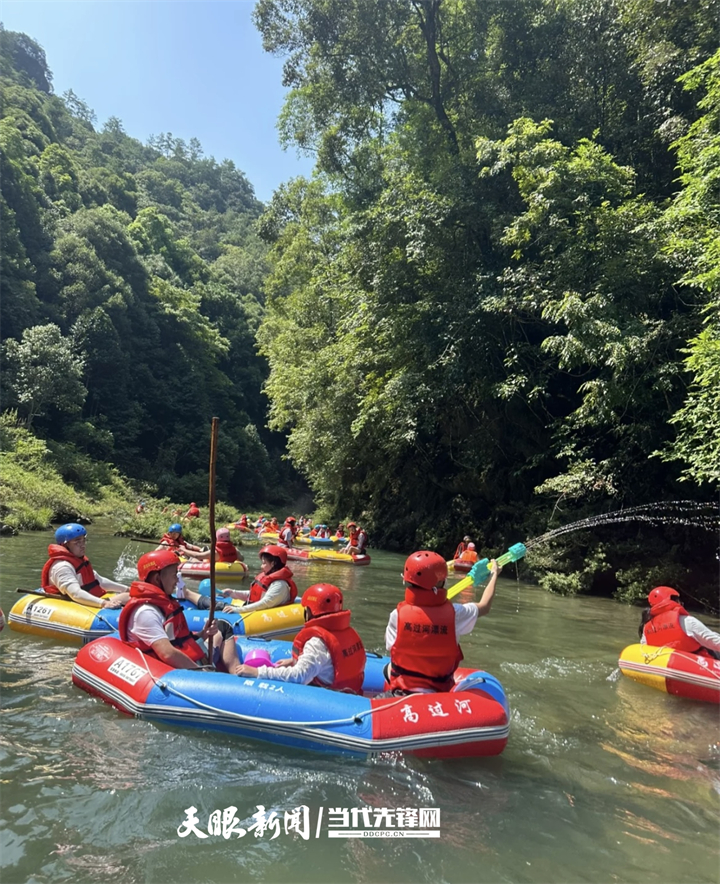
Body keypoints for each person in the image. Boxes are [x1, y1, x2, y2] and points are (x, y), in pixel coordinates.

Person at [384, 550, 502, 694]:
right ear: (441, 582)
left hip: (401, 690)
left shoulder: (397, 614)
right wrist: (494, 575)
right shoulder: (456, 613)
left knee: (388, 667)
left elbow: (392, 648)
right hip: (439, 692)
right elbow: (484, 606)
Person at [118, 549, 242, 674]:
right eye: (174, 575)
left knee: (223, 626)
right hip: (176, 674)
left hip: (190, 657)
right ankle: (232, 682)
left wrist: (203, 633)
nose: (177, 581)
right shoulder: (146, 613)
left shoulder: (164, 604)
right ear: (157, 579)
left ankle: (236, 676)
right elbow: (167, 653)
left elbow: (178, 640)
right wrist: (202, 672)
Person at [237, 583, 366, 692]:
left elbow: (299, 677)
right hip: (350, 693)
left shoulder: (316, 643)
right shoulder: (346, 632)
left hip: (330, 698)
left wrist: (258, 672)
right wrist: (292, 660)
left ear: (310, 611)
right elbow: (327, 662)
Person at [41, 523, 130, 609]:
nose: (83, 545)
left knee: (128, 595)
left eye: (84, 540)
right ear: (65, 545)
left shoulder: (79, 560)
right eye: (77, 542)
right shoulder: (62, 567)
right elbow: (75, 593)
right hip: (70, 605)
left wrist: (126, 589)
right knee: (126, 598)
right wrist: (103, 603)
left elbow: (99, 581)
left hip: (81, 600)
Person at [639, 586, 720, 658]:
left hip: (663, 663)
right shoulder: (687, 621)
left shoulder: (647, 627)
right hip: (694, 663)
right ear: (674, 601)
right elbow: (715, 642)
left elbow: (644, 647)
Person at [220, 545, 298, 613]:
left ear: (273, 563)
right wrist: (233, 593)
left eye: (264, 563)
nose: (261, 567)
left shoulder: (280, 585)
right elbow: (254, 594)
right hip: (253, 609)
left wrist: (238, 610)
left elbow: (264, 603)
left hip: (264, 616)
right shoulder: (271, 580)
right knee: (214, 604)